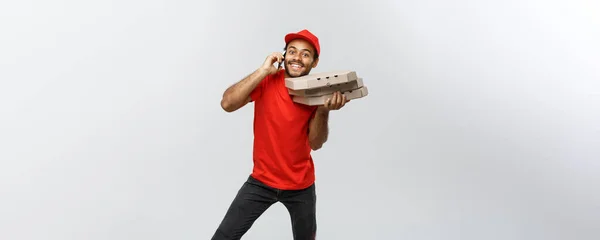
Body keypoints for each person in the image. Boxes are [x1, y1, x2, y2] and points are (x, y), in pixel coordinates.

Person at [212, 29, 349, 240]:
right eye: (292, 51)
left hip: (300, 185)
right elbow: (227, 104)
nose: (297, 58)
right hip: (261, 181)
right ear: (284, 56)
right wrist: (263, 71)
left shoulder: (316, 92)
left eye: (305, 54)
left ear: (314, 63)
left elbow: (316, 143)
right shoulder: (267, 81)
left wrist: (324, 109)